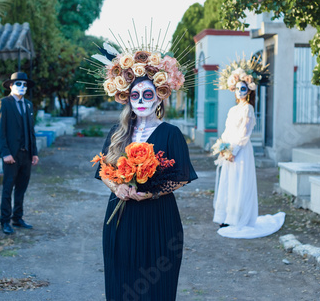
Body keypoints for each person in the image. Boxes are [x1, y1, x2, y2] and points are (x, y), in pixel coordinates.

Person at [92, 44, 197, 300]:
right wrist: (117, 187)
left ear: (160, 95)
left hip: (158, 218)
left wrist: (151, 193)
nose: (140, 101)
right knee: (122, 277)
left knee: (156, 283)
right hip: (121, 217)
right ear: (127, 97)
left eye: (147, 95)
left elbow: (181, 176)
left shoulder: (171, 133)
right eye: (135, 95)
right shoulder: (118, 133)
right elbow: (104, 170)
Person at [212, 68, 285, 239]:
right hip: (229, 150)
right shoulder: (232, 110)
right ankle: (227, 217)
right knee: (229, 182)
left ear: (249, 90)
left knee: (240, 183)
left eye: (243, 88)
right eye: (237, 88)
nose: (240, 92)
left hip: (241, 151)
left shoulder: (248, 109)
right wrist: (223, 148)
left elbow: (244, 134)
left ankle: (239, 217)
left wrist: (234, 151)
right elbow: (227, 131)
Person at [0, 72, 39, 235]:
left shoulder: (28, 105)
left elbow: (31, 130)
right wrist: (5, 152)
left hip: (26, 154)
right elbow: (0, 130)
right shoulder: (3, 103)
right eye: (18, 84)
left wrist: (34, 152)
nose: (22, 87)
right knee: (8, 188)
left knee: (21, 187)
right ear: (11, 86)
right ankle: (5, 220)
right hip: (11, 155)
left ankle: (17, 218)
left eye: (25, 85)